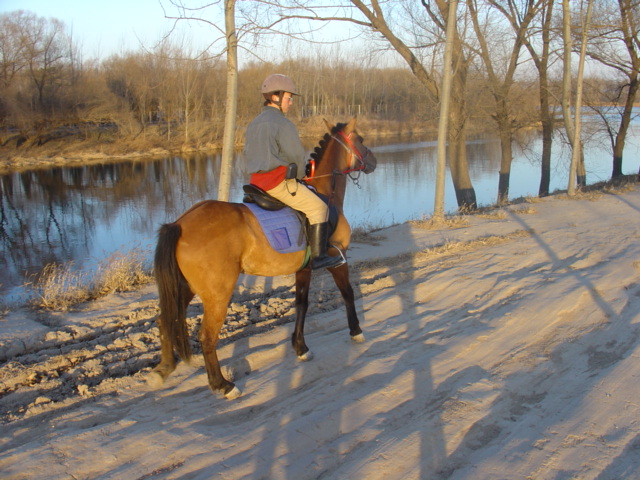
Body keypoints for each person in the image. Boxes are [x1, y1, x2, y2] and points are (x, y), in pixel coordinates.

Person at [244, 74, 343, 270]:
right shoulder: (283, 124)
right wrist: (299, 175)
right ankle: (318, 257)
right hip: (277, 183)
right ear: (275, 97)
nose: (291, 102)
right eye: (289, 97)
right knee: (318, 208)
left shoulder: (254, 123)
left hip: (255, 183)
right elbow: (296, 157)